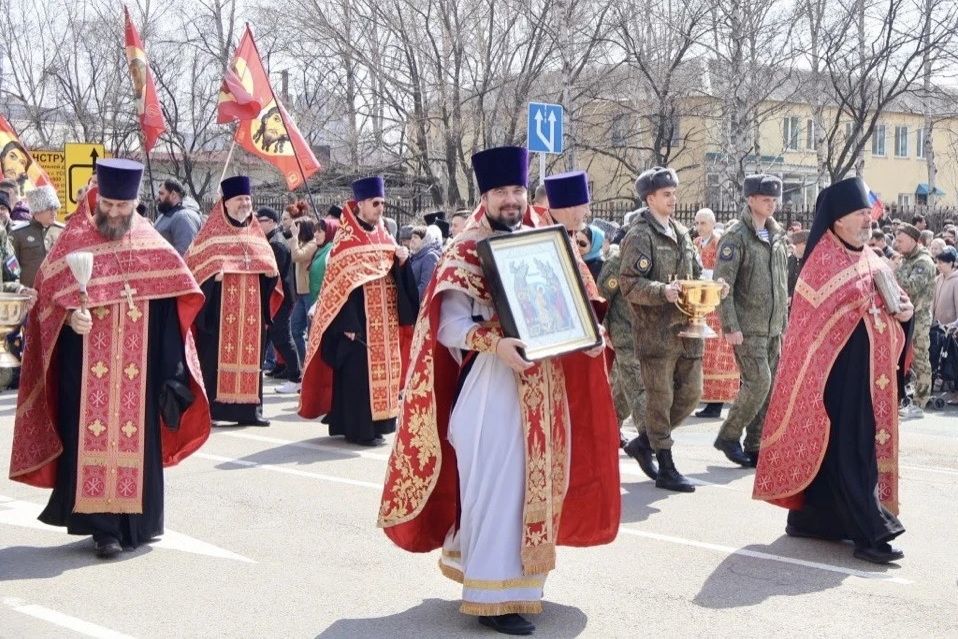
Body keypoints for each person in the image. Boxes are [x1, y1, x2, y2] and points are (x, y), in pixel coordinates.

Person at [378, 147, 620, 635]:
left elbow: (571, 310)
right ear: (485, 196)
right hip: (493, 386)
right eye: (501, 193)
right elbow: (446, 326)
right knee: (497, 487)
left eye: (517, 191)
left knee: (535, 485)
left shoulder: (546, 242)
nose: (511, 201)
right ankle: (492, 596)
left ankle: (522, 588)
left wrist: (591, 342)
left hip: (544, 385)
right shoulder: (464, 249)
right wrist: (492, 341)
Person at [9, 158, 210, 559]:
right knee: (91, 439)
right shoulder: (74, 241)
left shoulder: (151, 242)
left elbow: (174, 302)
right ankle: (103, 530)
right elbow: (48, 301)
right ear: (98, 199)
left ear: (135, 202)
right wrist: (70, 320)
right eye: (109, 206)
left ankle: (138, 521)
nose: (115, 214)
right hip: (86, 372)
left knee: (139, 441)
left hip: (140, 368)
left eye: (124, 207)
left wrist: (171, 372)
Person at [754, 176, 912, 565]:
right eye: (860, 214)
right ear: (838, 220)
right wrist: (864, 306)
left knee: (843, 451)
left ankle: (815, 519)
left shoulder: (871, 257)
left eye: (868, 214)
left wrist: (904, 312)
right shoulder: (821, 261)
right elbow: (814, 325)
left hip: (869, 376)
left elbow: (894, 302)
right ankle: (872, 533)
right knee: (854, 451)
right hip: (835, 379)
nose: (867, 220)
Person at [619, 167, 720, 491]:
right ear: (650, 198)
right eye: (667, 194)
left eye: (674, 193)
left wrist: (711, 286)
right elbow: (629, 284)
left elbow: (692, 273)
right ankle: (666, 465)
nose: (673, 199)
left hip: (687, 330)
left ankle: (645, 442)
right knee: (659, 400)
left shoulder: (679, 231)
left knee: (691, 394)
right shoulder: (640, 234)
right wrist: (662, 291)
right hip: (656, 333)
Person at [298, 176, 419, 446]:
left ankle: (378, 425)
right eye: (376, 203)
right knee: (357, 377)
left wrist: (401, 262)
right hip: (358, 324)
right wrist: (348, 324)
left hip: (384, 322)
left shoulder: (384, 235)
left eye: (383, 204)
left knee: (381, 375)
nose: (380, 209)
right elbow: (340, 288)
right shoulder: (346, 241)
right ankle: (358, 428)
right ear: (361, 204)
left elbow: (394, 276)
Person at [184, 176, 282, 427]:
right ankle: (215, 410)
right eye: (240, 199)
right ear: (226, 202)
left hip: (251, 312)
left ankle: (250, 412)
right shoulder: (211, 235)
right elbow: (193, 269)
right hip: (218, 313)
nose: (245, 203)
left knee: (252, 357)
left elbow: (269, 268)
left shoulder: (256, 235)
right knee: (214, 358)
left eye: (248, 199)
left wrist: (271, 276)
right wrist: (212, 279)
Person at [713, 174, 789, 467]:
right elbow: (723, 285)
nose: (771, 205)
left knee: (769, 388)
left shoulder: (777, 235)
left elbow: (781, 283)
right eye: (765, 199)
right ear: (750, 200)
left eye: (774, 200)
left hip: (772, 326)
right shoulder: (736, 237)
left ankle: (756, 443)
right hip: (747, 327)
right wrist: (730, 325)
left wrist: (784, 322)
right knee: (758, 382)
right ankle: (729, 436)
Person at [693, 207, 739, 419]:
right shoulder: (696, 243)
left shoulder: (719, 243)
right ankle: (705, 397)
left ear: (712, 224)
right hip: (700, 302)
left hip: (716, 303)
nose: (699, 227)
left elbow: (724, 271)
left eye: (703, 223)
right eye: (697, 223)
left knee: (718, 354)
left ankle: (717, 401)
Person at [257, 207, 302, 395]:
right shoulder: (271, 240)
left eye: (262, 220)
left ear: (273, 222)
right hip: (276, 296)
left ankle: (296, 377)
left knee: (283, 337)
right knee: (270, 337)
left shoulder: (276, 243)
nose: (258, 223)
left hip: (281, 297)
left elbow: (272, 275)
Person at [894, 223, 936, 419]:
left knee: (920, 358)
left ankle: (920, 401)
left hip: (918, 319)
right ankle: (904, 397)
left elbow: (909, 287)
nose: (897, 243)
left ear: (912, 240)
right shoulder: (906, 260)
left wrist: (892, 270)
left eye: (901, 240)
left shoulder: (924, 262)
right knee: (903, 359)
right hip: (903, 317)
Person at [11, 186, 64, 288]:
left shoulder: (62, 231)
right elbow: (13, 268)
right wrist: (18, 290)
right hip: (29, 294)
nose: (54, 213)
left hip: (56, 293)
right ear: (37, 211)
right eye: (49, 209)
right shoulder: (18, 233)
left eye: (55, 209)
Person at [288, 216, 318, 364]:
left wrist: (294, 237)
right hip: (301, 294)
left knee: (311, 332)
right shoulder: (301, 243)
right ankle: (304, 364)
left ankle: (309, 365)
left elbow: (297, 256)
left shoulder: (312, 244)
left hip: (309, 293)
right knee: (295, 329)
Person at [153, 178, 201, 256]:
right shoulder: (167, 212)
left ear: (173, 195)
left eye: (161, 194)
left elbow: (184, 254)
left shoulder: (184, 217)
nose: (157, 198)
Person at [307, 217, 339, 309]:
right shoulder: (321, 249)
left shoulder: (332, 252)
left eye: (319, 232)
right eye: (315, 231)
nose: (315, 235)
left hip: (325, 305)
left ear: (330, 232)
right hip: (316, 302)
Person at [408, 225, 442, 301]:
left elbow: (425, 286)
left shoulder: (430, 257)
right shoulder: (414, 256)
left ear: (425, 240)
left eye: (416, 237)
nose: (412, 239)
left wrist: (410, 300)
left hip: (419, 305)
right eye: (412, 237)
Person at [933, 247, 958, 328]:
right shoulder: (938, 279)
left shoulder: (956, 281)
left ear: (950, 263)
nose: (938, 266)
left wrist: (952, 326)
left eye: (941, 263)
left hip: (949, 331)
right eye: (937, 263)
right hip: (936, 328)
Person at [787, 230, 809, 302]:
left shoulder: (809, 263)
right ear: (797, 244)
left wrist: (793, 297)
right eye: (805, 243)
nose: (807, 246)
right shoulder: (788, 261)